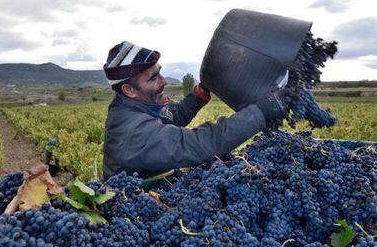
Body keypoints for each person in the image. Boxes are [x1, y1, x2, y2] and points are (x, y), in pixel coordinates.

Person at [102, 41, 290, 182]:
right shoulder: (132, 130)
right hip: (134, 206)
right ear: (129, 90)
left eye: (159, 72)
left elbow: (173, 116)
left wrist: (202, 91)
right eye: (153, 78)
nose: (164, 81)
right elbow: (195, 144)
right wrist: (260, 113)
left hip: (159, 190)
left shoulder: (142, 106)